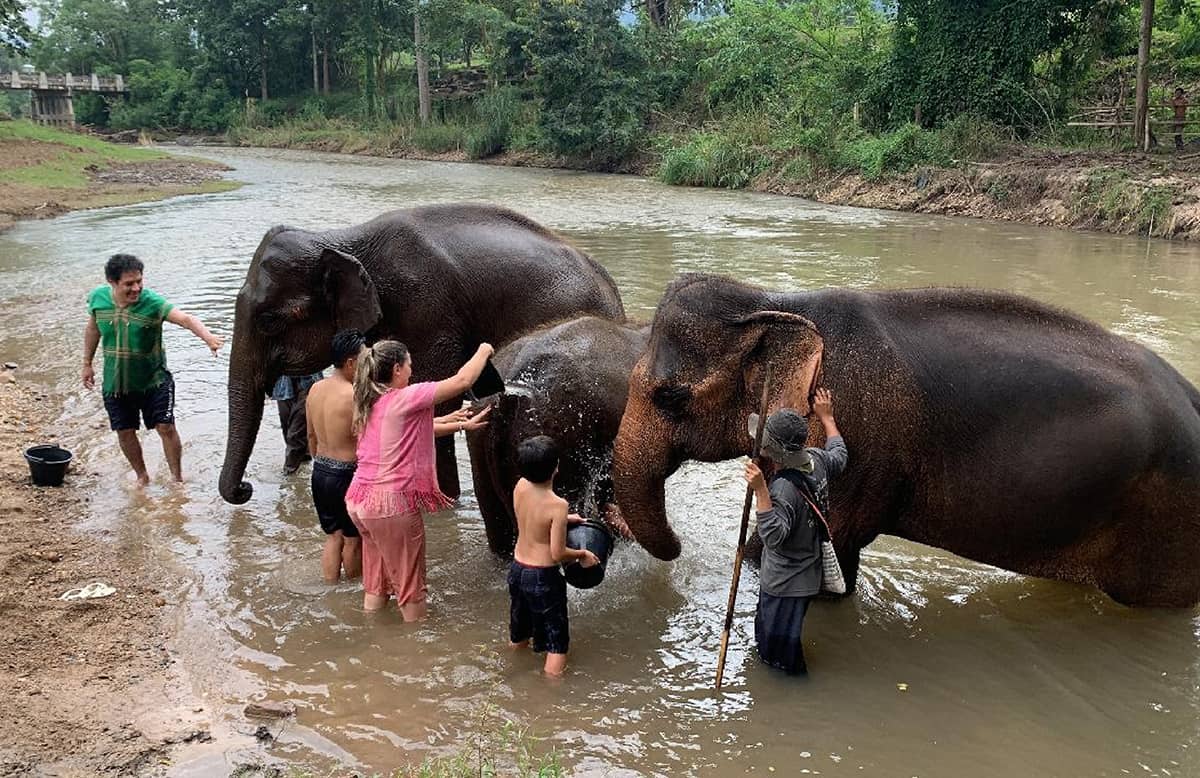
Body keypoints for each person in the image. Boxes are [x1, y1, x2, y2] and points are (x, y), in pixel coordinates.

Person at [344, 339, 493, 619]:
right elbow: (462, 381)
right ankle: (415, 650)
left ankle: (370, 637)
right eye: (410, 364)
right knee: (411, 588)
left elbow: (408, 430)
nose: (413, 370)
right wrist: (484, 348)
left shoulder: (370, 400)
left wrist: (459, 423)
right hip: (390, 505)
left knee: (376, 583)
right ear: (398, 369)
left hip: (359, 501)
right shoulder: (407, 396)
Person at [83, 253, 222, 486]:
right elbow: (93, 330)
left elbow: (185, 319)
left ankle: (177, 479)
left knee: (165, 427)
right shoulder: (97, 299)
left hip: (154, 380)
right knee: (125, 431)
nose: (136, 288)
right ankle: (142, 476)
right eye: (129, 284)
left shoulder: (153, 303)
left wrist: (208, 338)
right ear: (113, 282)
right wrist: (86, 364)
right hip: (116, 383)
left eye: (139, 281)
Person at [743, 388, 847, 675]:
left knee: (779, 659)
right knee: (778, 644)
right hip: (806, 577)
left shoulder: (782, 489)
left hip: (784, 585)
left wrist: (761, 490)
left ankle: (791, 700)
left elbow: (774, 536)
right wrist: (827, 418)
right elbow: (839, 453)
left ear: (775, 451)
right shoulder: (817, 459)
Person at [509, 435, 598, 676]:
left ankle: (510, 669)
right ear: (556, 467)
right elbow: (557, 552)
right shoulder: (557, 504)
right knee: (556, 640)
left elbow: (533, 516)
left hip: (517, 570)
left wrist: (564, 521)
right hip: (542, 577)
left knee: (520, 629)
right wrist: (583, 554)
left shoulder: (520, 486)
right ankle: (551, 695)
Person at [306, 331, 367, 583]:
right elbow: (366, 439)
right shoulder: (353, 396)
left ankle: (331, 589)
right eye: (364, 360)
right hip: (346, 474)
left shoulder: (315, 389)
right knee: (353, 539)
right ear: (351, 363)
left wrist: (320, 461)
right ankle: (353, 590)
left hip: (320, 472)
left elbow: (310, 435)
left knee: (333, 536)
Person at [273, 371, 325, 474]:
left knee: (295, 433)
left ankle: (289, 473)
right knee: (287, 428)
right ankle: (304, 460)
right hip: (282, 384)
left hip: (308, 382)